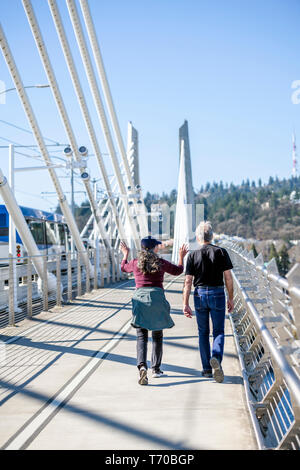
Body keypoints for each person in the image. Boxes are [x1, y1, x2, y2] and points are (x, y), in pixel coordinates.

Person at [120, 236, 188, 385]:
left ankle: (142, 366)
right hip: (157, 299)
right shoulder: (160, 262)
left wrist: (125, 254)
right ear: (154, 248)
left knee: (141, 336)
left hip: (140, 300)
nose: (158, 247)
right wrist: (182, 257)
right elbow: (178, 270)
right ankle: (156, 369)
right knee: (157, 335)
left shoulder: (136, 263)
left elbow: (123, 268)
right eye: (157, 246)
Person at [182, 221, 234, 383]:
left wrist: (185, 303)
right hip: (218, 293)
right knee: (218, 331)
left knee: (203, 332)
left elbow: (188, 281)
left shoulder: (192, 255)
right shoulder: (221, 252)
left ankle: (206, 369)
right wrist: (230, 298)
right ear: (211, 237)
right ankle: (216, 357)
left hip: (200, 295)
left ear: (198, 238)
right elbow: (228, 278)